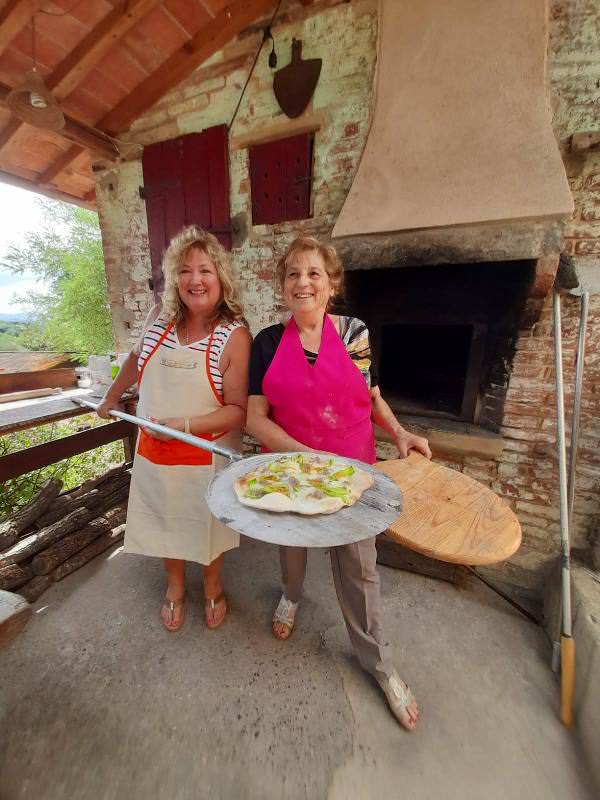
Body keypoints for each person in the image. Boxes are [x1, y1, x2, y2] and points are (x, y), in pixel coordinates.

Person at [246, 236, 431, 730]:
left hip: (351, 469)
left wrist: (400, 432)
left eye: (313, 274)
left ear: (330, 284)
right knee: (291, 543)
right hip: (290, 466)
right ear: (283, 287)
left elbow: (372, 398)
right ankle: (291, 593)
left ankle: (379, 665)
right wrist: (306, 458)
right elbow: (255, 418)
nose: (302, 282)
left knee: (360, 569)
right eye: (292, 274)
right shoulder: (266, 342)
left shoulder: (354, 332)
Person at [97, 225, 251, 632]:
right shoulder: (158, 317)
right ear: (174, 278)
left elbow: (237, 411)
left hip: (207, 452)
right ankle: (175, 588)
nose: (194, 280)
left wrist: (182, 425)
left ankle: (213, 586)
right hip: (154, 448)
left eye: (205, 270)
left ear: (221, 278)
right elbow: (134, 359)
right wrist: (112, 396)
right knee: (166, 519)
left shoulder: (233, 336)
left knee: (208, 526)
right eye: (184, 270)